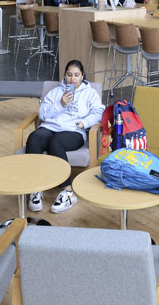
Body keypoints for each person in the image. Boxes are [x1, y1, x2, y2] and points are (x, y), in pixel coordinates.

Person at [26, 60, 104, 213]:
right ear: (65, 76)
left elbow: (99, 112)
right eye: (69, 75)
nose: (72, 79)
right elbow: (42, 114)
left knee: (56, 142)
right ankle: (35, 187)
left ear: (82, 76)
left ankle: (68, 193)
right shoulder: (55, 92)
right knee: (34, 138)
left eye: (76, 75)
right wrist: (60, 104)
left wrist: (84, 123)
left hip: (73, 131)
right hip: (50, 127)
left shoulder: (89, 93)